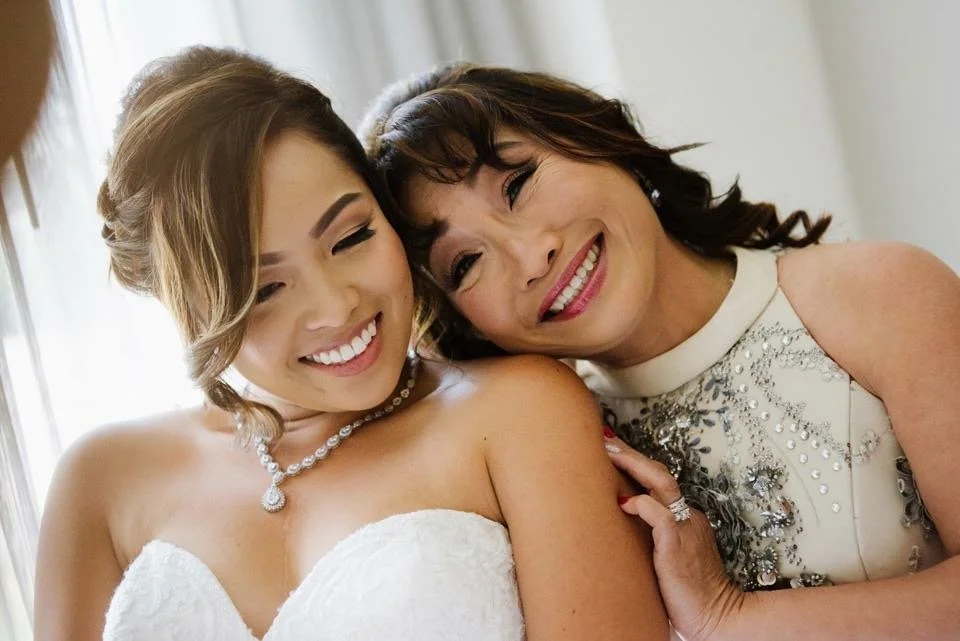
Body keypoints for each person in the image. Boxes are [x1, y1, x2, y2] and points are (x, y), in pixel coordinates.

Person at [32, 48, 670, 641]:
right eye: (264, 289)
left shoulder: (519, 414)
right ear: (185, 310)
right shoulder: (100, 482)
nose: (337, 307)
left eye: (350, 237)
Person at [360, 62, 960, 640]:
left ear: (594, 137)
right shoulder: (562, 452)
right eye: (465, 262)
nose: (532, 256)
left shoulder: (879, 292)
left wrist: (726, 618)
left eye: (517, 185)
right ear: (465, 324)